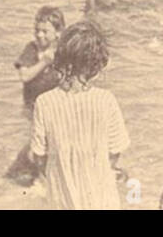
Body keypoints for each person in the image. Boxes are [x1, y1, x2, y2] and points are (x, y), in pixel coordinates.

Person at [30, 20, 131, 209]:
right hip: (101, 197)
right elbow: (116, 150)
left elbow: (39, 156)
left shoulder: (44, 102)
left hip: (61, 197)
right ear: (97, 64)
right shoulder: (106, 100)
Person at [6, 7, 67, 185]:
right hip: (33, 108)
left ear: (58, 32)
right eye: (36, 30)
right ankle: (36, 177)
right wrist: (44, 62)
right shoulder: (31, 50)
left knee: (46, 146)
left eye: (45, 31)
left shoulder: (63, 52)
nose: (39, 35)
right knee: (37, 146)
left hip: (56, 109)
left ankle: (40, 177)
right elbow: (24, 76)